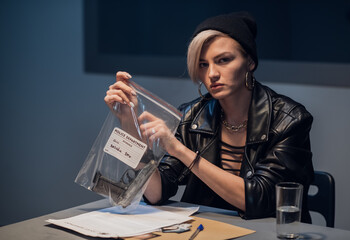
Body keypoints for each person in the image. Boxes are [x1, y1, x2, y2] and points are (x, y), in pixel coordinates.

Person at [104, 12, 314, 223]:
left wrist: (180, 151)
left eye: (223, 60)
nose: (212, 73)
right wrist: (129, 125)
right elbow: (157, 192)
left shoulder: (289, 120)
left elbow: (261, 199)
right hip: (207, 231)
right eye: (203, 64)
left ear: (250, 62)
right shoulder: (192, 116)